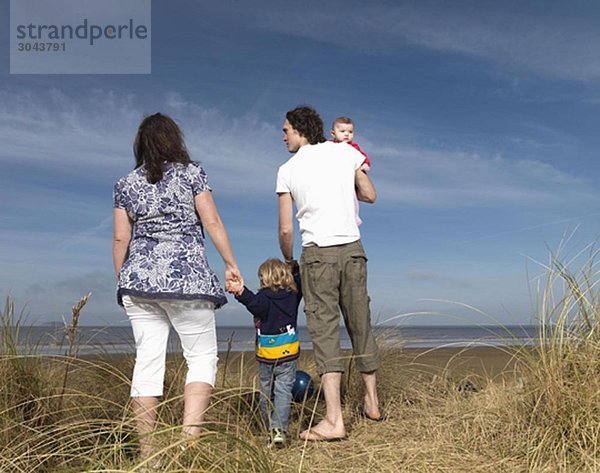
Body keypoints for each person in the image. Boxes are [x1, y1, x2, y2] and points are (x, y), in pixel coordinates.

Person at [112, 113, 243, 459]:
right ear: (174, 140)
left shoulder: (126, 184)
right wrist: (231, 264)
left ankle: (149, 454)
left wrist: (122, 282)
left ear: (141, 145)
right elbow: (211, 220)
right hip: (187, 281)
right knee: (201, 358)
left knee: (147, 364)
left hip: (139, 282)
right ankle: (188, 442)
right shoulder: (191, 174)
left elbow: (119, 239)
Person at [276, 106, 382, 442]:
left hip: (317, 254)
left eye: (286, 130)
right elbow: (369, 194)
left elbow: (285, 229)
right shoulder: (344, 152)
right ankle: (372, 402)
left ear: (300, 130)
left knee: (324, 331)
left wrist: (289, 259)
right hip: (352, 249)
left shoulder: (287, 169)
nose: (283, 136)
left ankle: (334, 420)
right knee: (359, 321)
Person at [231, 258, 302, 447]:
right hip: (289, 354)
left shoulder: (262, 298)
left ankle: (269, 427)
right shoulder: (293, 295)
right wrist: (295, 269)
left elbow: (251, 302)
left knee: (266, 392)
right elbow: (300, 280)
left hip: (267, 356)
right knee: (283, 391)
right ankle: (279, 430)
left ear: (263, 278)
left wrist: (240, 291)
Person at [330, 116, 371, 225]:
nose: (347, 134)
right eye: (342, 131)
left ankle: (354, 216)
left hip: (350, 178)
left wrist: (365, 164)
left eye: (350, 132)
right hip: (337, 177)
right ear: (333, 134)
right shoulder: (329, 146)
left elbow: (363, 157)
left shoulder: (354, 147)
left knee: (352, 198)